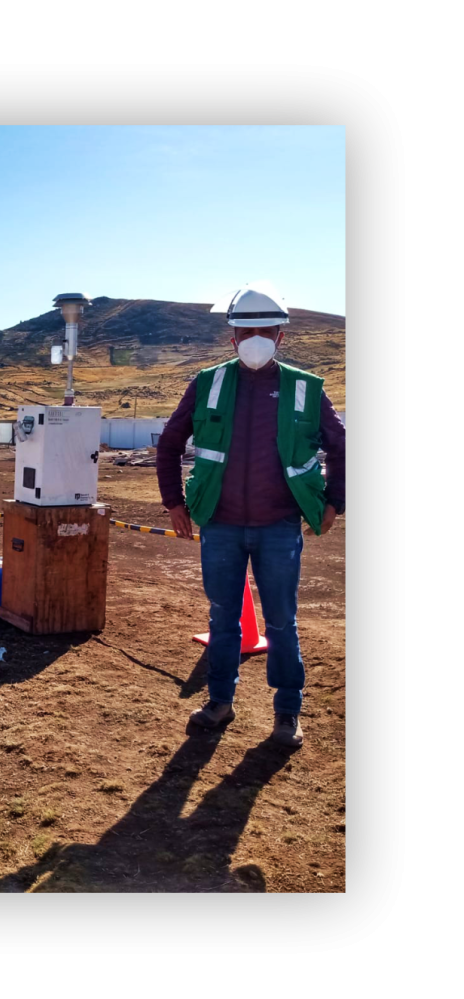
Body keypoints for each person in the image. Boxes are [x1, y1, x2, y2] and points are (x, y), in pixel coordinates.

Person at [155, 282, 346, 748]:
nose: (255, 338)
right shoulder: (207, 383)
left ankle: (287, 712)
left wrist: (335, 504)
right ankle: (219, 701)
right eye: (246, 330)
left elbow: (344, 448)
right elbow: (169, 443)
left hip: (279, 526)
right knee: (223, 618)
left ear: (281, 336)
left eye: (265, 330)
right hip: (220, 524)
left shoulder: (305, 388)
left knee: (282, 620)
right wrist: (174, 503)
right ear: (231, 337)